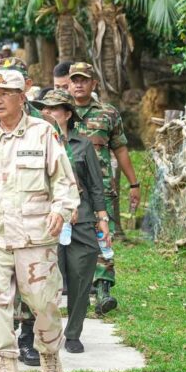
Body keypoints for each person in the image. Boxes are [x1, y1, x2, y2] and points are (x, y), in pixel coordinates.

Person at [0, 70, 79, 372]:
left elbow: (64, 181)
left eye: (5, 93)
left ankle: (49, 351)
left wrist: (60, 210)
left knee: (43, 302)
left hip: (34, 234)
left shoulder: (43, 132)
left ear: (21, 97)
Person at [32, 89, 110, 353]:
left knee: (80, 278)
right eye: (44, 108)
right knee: (44, 280)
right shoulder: (35, 143)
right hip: (46, 220)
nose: (47, 113)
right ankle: (44, 331)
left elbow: (96, 185)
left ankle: (74, 332)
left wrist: (102, 219)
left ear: (67, 114)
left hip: (81, 221)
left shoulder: (83, 144)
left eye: (54, 108)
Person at [68, 62, 141, 314]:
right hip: (67, 189)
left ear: (94, 84)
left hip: (101, 188)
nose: (79, 84)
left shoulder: (107, 113)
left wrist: (134, 183)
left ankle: (103, 289)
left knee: (102, 237)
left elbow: (120, 148)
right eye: (74, 80)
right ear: (68, 84)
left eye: (84, 80)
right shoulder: (60, 112)